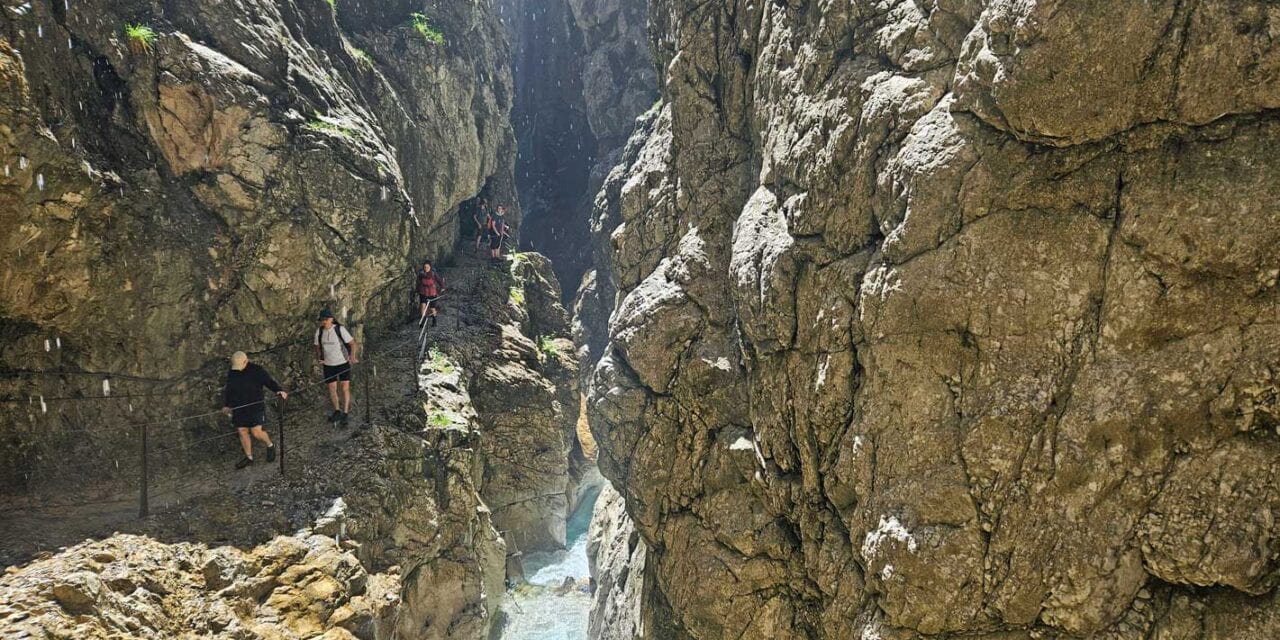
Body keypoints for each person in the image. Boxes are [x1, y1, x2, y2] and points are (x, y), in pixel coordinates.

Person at [221, 351, 287, 469]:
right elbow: (230, 389)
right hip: (239, 407)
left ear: (246, 361)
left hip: (255, 406)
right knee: (242, 431)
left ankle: (270, 445)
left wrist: (278, 390)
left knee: (256, 432)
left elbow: (268, 382)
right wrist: (227, 405)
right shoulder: (233, 372)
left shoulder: (257, 370)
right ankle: (249, 457)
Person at [314, 309, 358, 427]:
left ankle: (345, 413)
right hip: (328, 364)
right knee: (332, 388)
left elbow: (352, 343)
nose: (324, 322)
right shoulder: (319, 331)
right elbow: (317, 346)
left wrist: (352, 357)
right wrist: (319, 357)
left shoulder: (339, 329)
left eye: (326, 319)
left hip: (342, 362)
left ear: (331, 319)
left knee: (345, 388)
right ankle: (337, 411)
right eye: (322, 320)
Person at [417, 260, 446, 327]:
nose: (426, 268)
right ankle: (423, 321)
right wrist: (418, 289)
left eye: (427, 267)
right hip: (423, 293)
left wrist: (442, 287)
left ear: (430, 267)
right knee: (422, 307)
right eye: (425, 267)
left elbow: (439, 280)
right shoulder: (421, 274)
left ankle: (434, 320)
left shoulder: (433, 274)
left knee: (432, 308)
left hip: (432, 293)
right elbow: (418, 282)